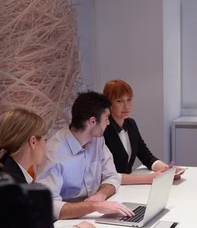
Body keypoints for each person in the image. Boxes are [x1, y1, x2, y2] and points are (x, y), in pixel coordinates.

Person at [35, 91, 135, 220]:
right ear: (92, 121)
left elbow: (112, 176)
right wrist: (93, 206)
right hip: (67, 222)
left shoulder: (97, 140)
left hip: (94, 215)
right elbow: (48, 206)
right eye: (106, 119)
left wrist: (100, 195)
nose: (108, 123)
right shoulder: (54, 153)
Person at [102, 79, 182, 185]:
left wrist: (167, 170)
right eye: (120, 101)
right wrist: (150, 178)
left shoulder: (131, 124)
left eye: (129, 99)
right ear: (109, 103)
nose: (126, 106)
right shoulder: (103, 129)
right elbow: (108, 175)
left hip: (127, 187)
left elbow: (146, 156)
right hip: (110, 187)